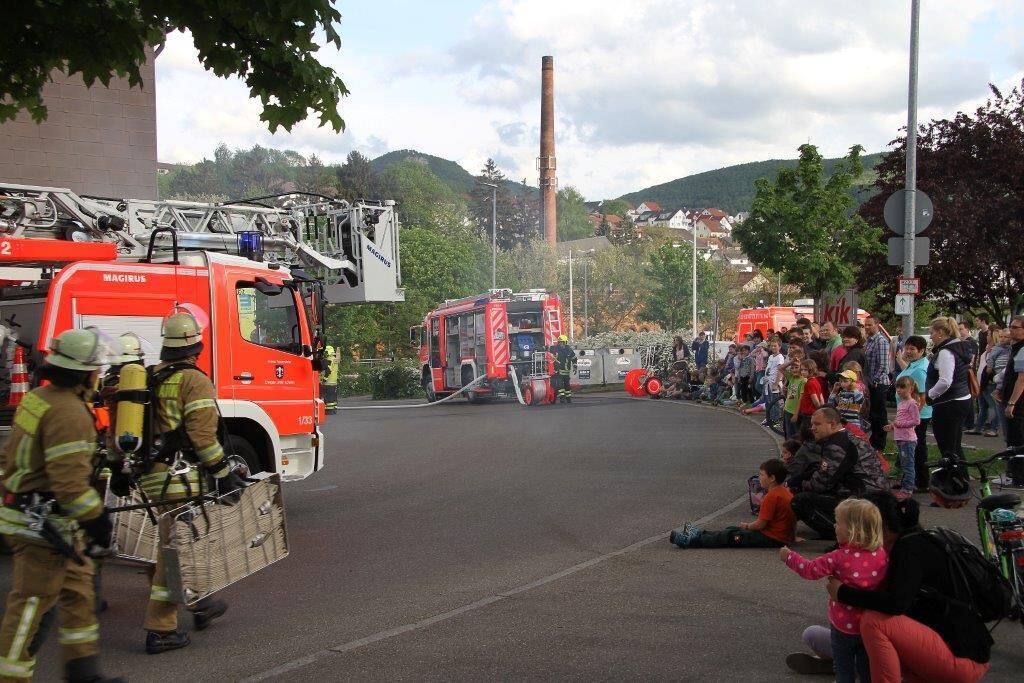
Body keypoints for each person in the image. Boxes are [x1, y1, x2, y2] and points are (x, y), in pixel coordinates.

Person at [0, 328, 123, 682]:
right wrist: (96, 517)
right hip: (40, 526)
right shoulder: (69, 412)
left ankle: (83, 672)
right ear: (85, 372)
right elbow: (69, 485)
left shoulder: (39, 398)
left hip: (41, 517)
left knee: (79, 592)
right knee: (31, 606)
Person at [124, 306, 247, 654]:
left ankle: (200, 603)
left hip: (148, 478)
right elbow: (203, 438)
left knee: (165, 548)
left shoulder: (150, 376)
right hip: (176, 480)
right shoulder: (193, 380)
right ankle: (161, 629)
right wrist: (224, 474)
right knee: (174, 552)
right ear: (196, 347)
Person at [828, 493, 992, 682]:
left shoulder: (909, 550)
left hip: (961, 660)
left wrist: (843, 593)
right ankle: (849, 659)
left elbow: (896, 604)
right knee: (839, 634)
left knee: (872, 621)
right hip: (944, 648)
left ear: (880, 526)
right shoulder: (910, 541)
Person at [781, 498, 887, 682]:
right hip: (869, 626)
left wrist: (789, 557)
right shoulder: (882, 554)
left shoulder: (838, 557)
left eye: (838, 523)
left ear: (853, 530)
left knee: (843, 667)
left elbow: (810, 570)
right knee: (866, 666)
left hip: (843, 627)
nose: (834, 527)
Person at [790, 407, 888, 540]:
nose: (812, 428)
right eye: (812, 424)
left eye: (817, 424)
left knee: (800, 501)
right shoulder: (845, 437)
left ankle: (845, 535)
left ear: (832, 425)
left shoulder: (837, 445)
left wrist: (796, 486)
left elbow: (822, 483)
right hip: (872, 495)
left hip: (864, 499)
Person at [670, 458, 794, 548]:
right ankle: (699, 534)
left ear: (772, 478)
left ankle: (691, 541)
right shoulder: (785, 492)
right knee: (732, 529)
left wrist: (747, 526)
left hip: (771, 538)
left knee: (730, 536)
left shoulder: (772, 496)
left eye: (762, 475)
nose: (759, 477)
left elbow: (760, 525)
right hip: (778, 536)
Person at [925, 316, 972, 461]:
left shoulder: (946, 351)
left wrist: (930, 395)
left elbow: (945, 381)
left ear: (940, 332)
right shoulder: (958, 347)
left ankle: (955, 477)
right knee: (954, 444)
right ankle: (957, 476)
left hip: (949, 402)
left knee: (947, 445)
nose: (931, 336)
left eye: (932, 332)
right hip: (960, 398)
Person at [894, 336, 932, 490]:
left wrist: (912, 417)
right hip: (909, 414)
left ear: (922, 351)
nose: (908, 352)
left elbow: (922, 396)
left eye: (912, 349)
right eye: (906, 348)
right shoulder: (914, 365)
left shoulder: (920, 369)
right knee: (910, 450)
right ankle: (911, 480)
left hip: (917, 417)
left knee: (915, 449)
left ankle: (919, 482)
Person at [884, 376, 921, 499]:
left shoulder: (912, 404)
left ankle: (907, 489)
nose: (899, 390)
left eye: (902, 387)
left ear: (911, 389)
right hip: (900, 438)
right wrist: (893, 426)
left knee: (908, 465)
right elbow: (900, 419)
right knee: (904, 464)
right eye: (897, 388)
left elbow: (916, 421)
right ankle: (907, 484)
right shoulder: (901, 403)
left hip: (908, 440)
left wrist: (900, 424)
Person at [862, 316, 892, 452]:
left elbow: (884, 366)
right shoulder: (868, 341)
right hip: (870, 382)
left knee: (879, 415)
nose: (867, 327)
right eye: (865, 325)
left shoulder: (881, 341)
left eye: (870, 325)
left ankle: (879, 444)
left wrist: (874, 381)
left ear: (877, 325)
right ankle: (873, 441)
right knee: (872, 414)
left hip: (879, 384)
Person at [997, 314, 1024, 450]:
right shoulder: (1016, 348)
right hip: (1012, 399)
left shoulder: (1022, 349)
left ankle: (1016, 469)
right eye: (1010, 326)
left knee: (1016, 439)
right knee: (1012, 437)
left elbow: (1021, 380)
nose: (1011, 329)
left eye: (1015, 327)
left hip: (1018, 404)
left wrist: (1012, 403)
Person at [976, 328, 1005, 437]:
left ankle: (994, 428)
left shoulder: (997, 350)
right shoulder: (988, 348)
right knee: (983, 405)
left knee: (993, 405)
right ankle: (978, 427)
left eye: (988, 334)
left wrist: (991, 376)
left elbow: (995, 367)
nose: (986, 336)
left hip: (989, 382)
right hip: (982, 381)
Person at [958, 321, 981, 434]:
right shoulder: (961, 342)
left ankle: (969, 422)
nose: (959, 331)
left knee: (968, 398)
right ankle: (965, 422)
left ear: (967, 329)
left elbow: (971, 359)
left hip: (968, 373)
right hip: (963, 373)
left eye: (961, 329)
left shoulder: (970, 342)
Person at [795, 359, 825, 434]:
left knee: (806, 435)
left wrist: (819, 411)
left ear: (811, 370)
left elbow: (816, 401)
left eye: (805, 370)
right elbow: (821, 397)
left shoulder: (809, 383)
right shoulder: (815, 381)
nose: (802, 372)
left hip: (808, 414)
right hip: (811, 413)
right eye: (801, 370)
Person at [551, 335, 577, 403]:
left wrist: (575, 366)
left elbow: (574, 359)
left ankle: (568, 398)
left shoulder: (569, 350)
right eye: (560, 342)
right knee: (560, 385)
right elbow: (550, 353)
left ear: (565, 342)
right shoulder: (555, 349)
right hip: (558, 371)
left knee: (567, 385)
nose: (561, 344)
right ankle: (562, 398)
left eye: (562, 342)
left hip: (566, 371)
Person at [321, 344, 339, 414]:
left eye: (325, 352)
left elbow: (328, 371)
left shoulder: (329, 360)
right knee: (333, 396)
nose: (324, 354)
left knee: (328, 396)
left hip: (329, 381)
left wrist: (324, 379)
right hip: (334, 381)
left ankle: (329, 410)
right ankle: (334, 408)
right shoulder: (334, 359)